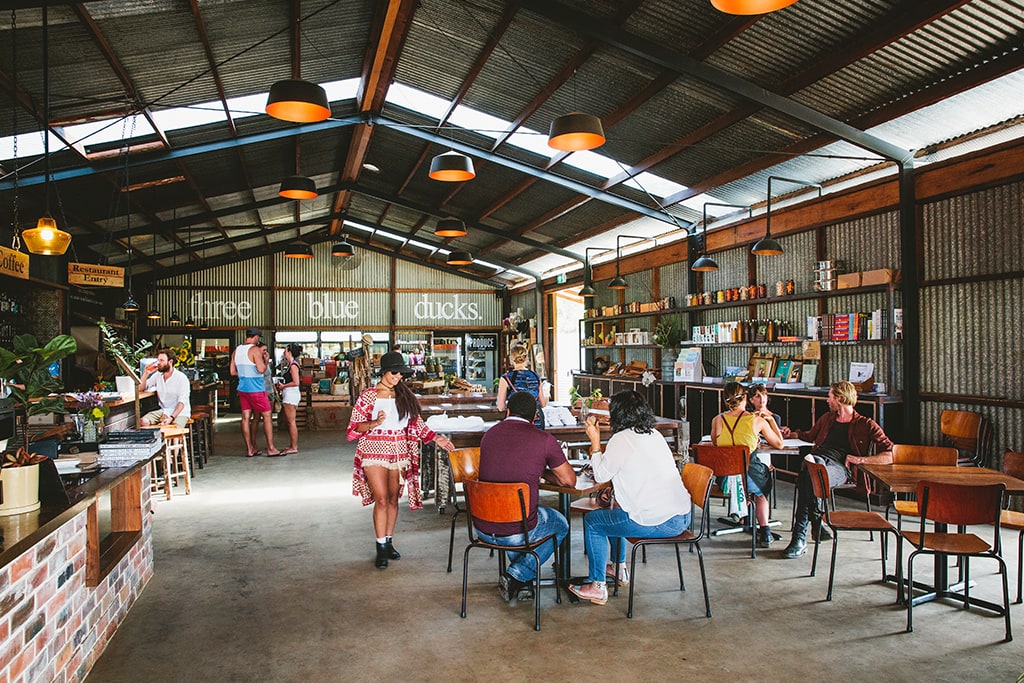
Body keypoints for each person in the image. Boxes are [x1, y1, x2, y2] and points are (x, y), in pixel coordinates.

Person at [569, 390, 692, 606]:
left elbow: (600, 475)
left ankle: (597, 586)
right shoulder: (654, 435)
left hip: (655, 522)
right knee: (615, 512)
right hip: (681, 517)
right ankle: (618, 568)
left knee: (594, 522)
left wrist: (595, 442)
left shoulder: (622, 439)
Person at [347, 351, 455, 569]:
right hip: (373, 450)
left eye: (401, 374)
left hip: (399, 451)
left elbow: (418, 425)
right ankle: (380, 547)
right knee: (382, 499)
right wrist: (374, 423)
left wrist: (437, 439)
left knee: (395, 499)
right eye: (394, 373)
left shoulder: (405, 396)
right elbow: (354, 427)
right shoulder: (368, 396)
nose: (398, 377)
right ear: (384, 372)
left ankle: (388, 541)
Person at [477, 391, 576, 602]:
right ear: (535, 417)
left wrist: (539, 470)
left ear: (509, 411)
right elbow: (569, 481)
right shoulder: (544, 440)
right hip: (515, 530)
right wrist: (546, 472)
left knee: (524, 516)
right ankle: (518, 575)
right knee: (560, 523)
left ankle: (523, 584)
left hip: (482, 526)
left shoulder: (489, 435)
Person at [780, 380, 894, 559]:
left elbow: (891, 453)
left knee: (809, 470)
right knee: (812, 470)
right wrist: (789, 433)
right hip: (819, 463)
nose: (827, 400)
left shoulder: (866, 424)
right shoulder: (827, 419)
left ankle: (801, 536)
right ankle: (809, 528)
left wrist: (860, 459)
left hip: (841, 469)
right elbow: (808, 435)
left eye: (830, 396)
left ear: (839, 398)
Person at [710, 382, 784, 548]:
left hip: (725, 479)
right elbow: (779, 444)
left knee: (748, 480)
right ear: (745, 399)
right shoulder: (757, 420)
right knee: (761, 488)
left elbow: (716, 444)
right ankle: (765, 530)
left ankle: (742, 511)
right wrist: (771, 420)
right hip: (749, 476)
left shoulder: (717, 420)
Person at [230, 327, 282, 457]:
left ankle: (250, 448)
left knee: (245, 418)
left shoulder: (236, 350)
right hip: (256, 389)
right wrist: (265, 360)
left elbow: (232, 372)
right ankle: (271, 448)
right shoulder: (255, 350)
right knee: (267, 416)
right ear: (256, 337)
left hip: (242, 389)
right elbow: (261, 370)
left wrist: (244, 374)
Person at [138, 349, 191, 428]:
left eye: (162, 360)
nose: (159, 363)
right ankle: (154, 440)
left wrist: (171, 418)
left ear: (170, 362)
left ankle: (171, 439)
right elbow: (140, 388)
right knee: (143, 422)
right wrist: (146, 373)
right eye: (158, 360)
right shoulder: (157, 375)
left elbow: (182, 402)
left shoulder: (181, 378)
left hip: (180, 413)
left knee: (174, 429)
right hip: (164, 410)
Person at [496, 345, 547, 427]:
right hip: (536, 419)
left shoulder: (506, 378)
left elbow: (501, 407)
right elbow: (543, 404)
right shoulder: (536, 376)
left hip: (516, 419)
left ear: (511, 359)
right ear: (526, 358)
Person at [276, 343, 302, 455]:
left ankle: (294, 446)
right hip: (290, 394)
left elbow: (296, 382)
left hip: (291, 395)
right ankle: (292, 445)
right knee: (290, 422)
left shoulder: (293, 366)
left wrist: (283, 386)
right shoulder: (291, 364)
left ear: (289, 351)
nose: (284, 353)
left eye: (285, 350)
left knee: (291, 422)